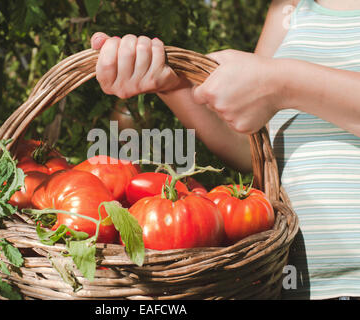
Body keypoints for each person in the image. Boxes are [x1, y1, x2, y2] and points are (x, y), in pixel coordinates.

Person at [90, 0, 360, 300]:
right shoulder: (291, 8)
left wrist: (283, 84)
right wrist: (173, 85)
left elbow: (276, 85)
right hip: (286, 281)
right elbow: (252, 147)